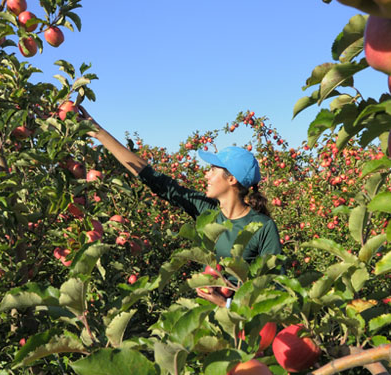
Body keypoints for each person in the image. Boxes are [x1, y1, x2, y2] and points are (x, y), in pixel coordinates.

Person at [78, 107, 282, 307]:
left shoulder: (263, 227)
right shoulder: (207, 211)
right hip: (204, 324)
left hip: (243, 330)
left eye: (213, 170)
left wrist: (226, 304)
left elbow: (276, 294)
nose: (207, 175)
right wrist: (100, 134)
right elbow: (156, 180)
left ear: (231, 179)